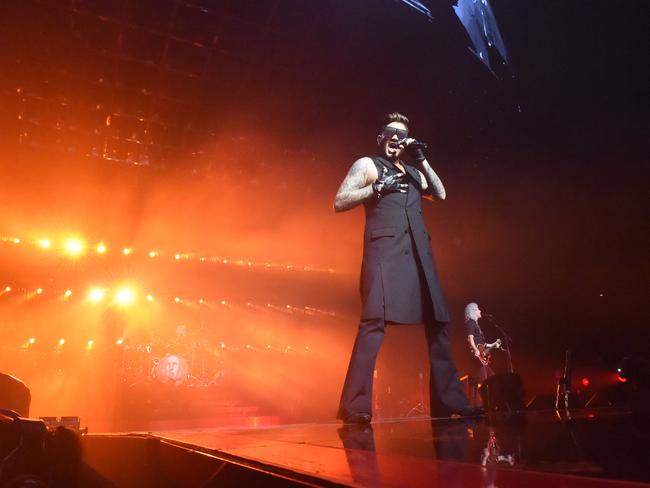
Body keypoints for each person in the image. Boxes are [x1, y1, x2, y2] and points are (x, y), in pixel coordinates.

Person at [334, 112, 482, 423]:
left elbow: (440, 194)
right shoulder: (368, 165)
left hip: (419, 254)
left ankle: (449, 402)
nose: (395, 139)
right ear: (381, 137)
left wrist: (422, 158)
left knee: (439, 322)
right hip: (385, 254)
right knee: (373, 323)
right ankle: (354, 407)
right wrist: (376, 189)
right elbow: (340, 200)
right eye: (390, 133)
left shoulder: (415, 172)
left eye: (401, 135)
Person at [464, 302, 495, 405]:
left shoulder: (475, 324)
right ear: (473, 311)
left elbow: (482, 344)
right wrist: (475, 349)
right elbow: (470, 338)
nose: (480, 311)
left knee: (491, 378)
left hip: (481, 355)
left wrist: (494, 345)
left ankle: (488, 402)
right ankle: (483, 404)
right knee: (485, 380)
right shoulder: (471, 322)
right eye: (478, 309)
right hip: (477, 356)